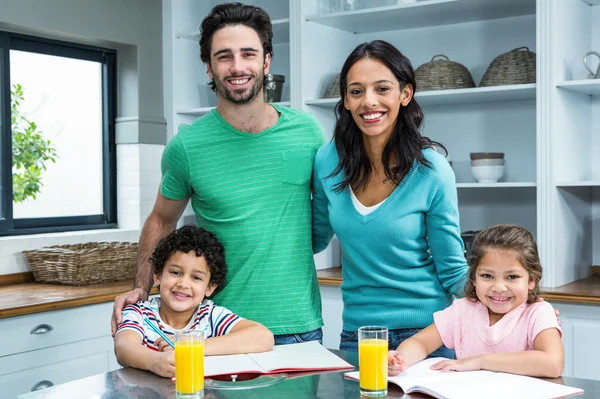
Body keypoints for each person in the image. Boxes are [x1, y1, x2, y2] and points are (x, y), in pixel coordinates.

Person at [111, 2, 325, 345]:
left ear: (266, 61)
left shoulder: (307, 132)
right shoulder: (187, 147)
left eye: (248, 54)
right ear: (209, 68)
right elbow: (161, 220)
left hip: (299, 324)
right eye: (224, 56)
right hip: (218, 330)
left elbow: (330, 207)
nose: (237, 66)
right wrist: (140, 287)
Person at [311, 40, 468, 356]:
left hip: (428, 336)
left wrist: (519, 302)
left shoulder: (432, 171)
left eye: (382, 89)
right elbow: (312, 238)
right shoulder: (328, 161)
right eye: (356, 91)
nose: (369, 101)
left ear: (405, 94)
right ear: (345, 99)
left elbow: (452, 270)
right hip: (359, 336)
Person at [388, 224, 564, 378]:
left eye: (512, 277)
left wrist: (480, 361)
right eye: (487, 276)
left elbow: (553, 363)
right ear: (473, 278)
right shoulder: (463, 310)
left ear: (531, 280)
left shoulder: (538, 312)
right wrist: (399, 358)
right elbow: (421, 342)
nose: (499, 287)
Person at [114, 225, 274, 378]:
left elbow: (263, 337)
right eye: (175, 272)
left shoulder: (210, 316)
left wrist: (190, 346)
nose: (183, 284)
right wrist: (155, 362)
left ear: (210, 287)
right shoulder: (139, 313)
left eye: (196, 277)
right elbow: (124, 348)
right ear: (157, 275)